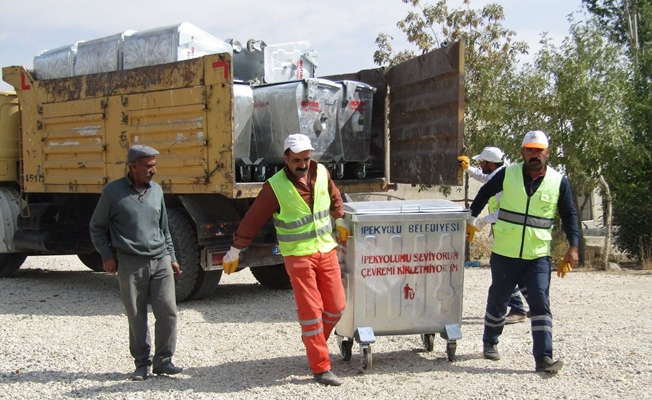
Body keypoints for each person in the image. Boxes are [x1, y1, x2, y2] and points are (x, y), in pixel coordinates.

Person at [222, 133, 348, 386]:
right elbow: (253, 220)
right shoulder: (275, 186)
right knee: (311, 312)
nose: (302, 164)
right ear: (286, 158)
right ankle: (320, 366)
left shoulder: (321, 172)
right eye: (297, 160)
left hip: (326, 250)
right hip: (298, 256)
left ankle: (314, 343)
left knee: (337, 306)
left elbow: (334, 197)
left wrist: (340, 219)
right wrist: (235, 250)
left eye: (306, 159)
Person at [466, 131, 579, 373]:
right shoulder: (508, 174)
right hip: (506, 252)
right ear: (522, 152)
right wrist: (471, 218)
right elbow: (484, 193)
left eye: (539, 150)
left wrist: (573, 246)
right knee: (499, 299)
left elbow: (569, 214)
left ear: (547, 152)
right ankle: (490, 342)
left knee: (540, 302)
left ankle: (544, 358)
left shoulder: (559, 181)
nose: (534, 154)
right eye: (530, 150)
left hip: (537, 254)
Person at [90, 144, 183, 381]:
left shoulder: (157, 191)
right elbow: (97, 227)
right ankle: (142, 364)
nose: (154, 170)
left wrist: (171, 257)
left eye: (154, 165)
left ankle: (164, 361)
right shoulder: (113, 193)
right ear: (134, 166)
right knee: (136, 314)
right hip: (130, 262)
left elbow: (164, 229)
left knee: (168, 311)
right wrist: (107, 256)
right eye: (149, 166)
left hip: (160, 259)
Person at [458, 147, 529, 325]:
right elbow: (485, 178)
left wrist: (482, 221)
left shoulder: (505, 181)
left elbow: (508, 210)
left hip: (510, 229)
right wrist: (468, 169)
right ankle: (535, 306)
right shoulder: (499, 173)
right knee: (514, 269)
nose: (479, 164)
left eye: (481, 162)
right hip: (506, 230)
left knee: (504, 269)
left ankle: (518, 308)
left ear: (490, 163)